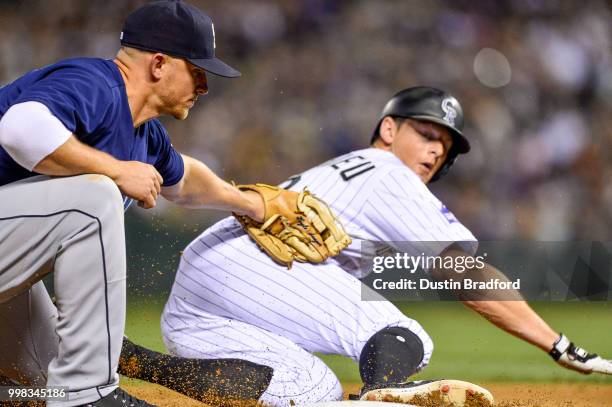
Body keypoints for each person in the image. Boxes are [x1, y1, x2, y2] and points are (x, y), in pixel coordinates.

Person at [119, 86, 612, 407]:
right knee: (405, 335)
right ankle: (382, 395)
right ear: (389, 129)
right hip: (252, 263)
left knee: (313, 392)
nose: (437, 149)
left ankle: (130, 358)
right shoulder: (388, 171)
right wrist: (556, 342)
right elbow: (463, 272)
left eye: (446, 145)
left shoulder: (353, 169)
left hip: (204, 285)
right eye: (426, 132)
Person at [0, 1, 324, 405]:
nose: (204, 86)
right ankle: (87, 396)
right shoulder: (96, 83)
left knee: (44, 385)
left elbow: (183, 180)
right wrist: (117, 170)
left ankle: (67, 391)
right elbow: (18, 127)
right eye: (197, 70)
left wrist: (249, 204)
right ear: (158, 64)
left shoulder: (143, 134)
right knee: (95, 194)